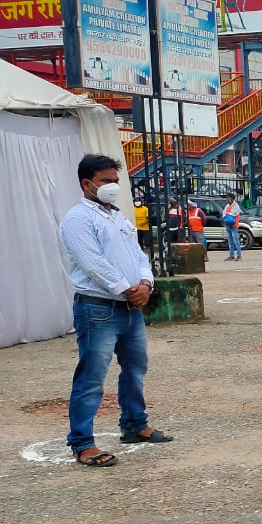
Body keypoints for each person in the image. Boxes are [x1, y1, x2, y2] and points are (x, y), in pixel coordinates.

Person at [58, 154, 173, 467]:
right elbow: (93, 262)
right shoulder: (77, 219)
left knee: (135, 369)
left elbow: (138, 255)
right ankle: (82, 444)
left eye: (116, 181)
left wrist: (146, 284)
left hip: (130, 309)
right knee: (92, 377)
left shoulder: (119, 217)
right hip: (98, 309)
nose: (113, 186)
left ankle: (134, 425)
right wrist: (127, 288)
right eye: (107, 181)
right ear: (87, 183)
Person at [223, 194, 244, 261]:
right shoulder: (227, 206)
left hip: (234, 225)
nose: (227, 199)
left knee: (236, 241)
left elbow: (233, 214)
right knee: (230, 241)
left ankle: (239, 255)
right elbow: (224, 213)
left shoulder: (236, 206)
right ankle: (231, 255)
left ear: (232, 198)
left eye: (228, 198)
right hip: (228, 225)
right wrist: (226, 216)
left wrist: (227, 215)